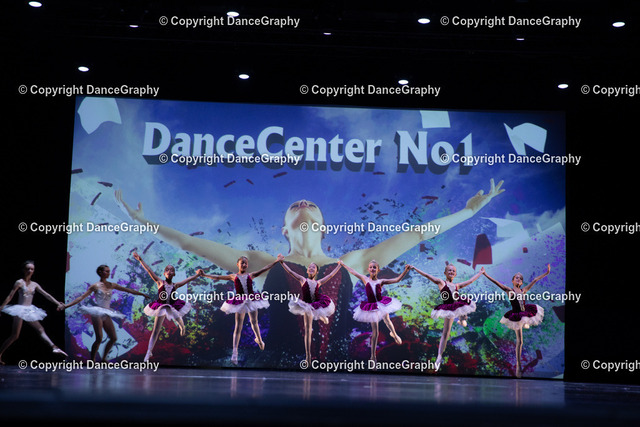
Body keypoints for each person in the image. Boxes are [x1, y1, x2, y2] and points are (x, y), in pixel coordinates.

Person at [115, 179, 504, 364]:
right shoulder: (262, 262)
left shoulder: (353, 261)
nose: (303, 201)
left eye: (311, 204)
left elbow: (417, 234)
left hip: (340, 369)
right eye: (294, 205)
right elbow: (189, 243)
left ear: (324, 226)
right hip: (276, 369)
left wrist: (468, 212)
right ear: (284, 230)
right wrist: (143, 222)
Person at [198, 255, 281, 365]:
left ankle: (259, 340)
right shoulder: (233, 276)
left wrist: (276, 261)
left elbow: (265, 268)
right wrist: (204, 275)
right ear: (238, 264)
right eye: (242, 263)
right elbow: (217, 277)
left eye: (246, 263)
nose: (244, 264)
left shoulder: (251, 275)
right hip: (240, 301)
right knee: (238, 326)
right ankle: (235, 352)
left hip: (251, 299)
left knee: (254, 322)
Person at [60, 264, 149, 361]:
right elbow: (81, 297)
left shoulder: (112, 285)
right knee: (99, 338)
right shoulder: (95, 286)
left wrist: (142, 294)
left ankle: (103, 359)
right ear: (100, 272)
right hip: (97, 312)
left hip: (106, 312)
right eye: (106, 271)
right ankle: (92, 359)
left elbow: (128, 290)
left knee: (113, 338)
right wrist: (66, 305)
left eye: (109, 271)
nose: (108, 273)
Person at [412, 263, 485, 371]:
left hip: (457, 305)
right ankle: (439, 356)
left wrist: (480, 273)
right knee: (446, 333)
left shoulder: (456, 286)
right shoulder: (441, 282)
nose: (451, 272)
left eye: (453, 271)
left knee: (464, 303)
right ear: (445, 273)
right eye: (449, 270)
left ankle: (462, 320)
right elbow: (427, 275)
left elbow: (470, 281)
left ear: (455, 274)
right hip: (449, 308)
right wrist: (415, 268)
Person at [483, 264, 551, 378]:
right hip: (516, 316)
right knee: (520, 341)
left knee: (529, 318)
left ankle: (526, 323)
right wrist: (485, 274)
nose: (519, 279)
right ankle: (518, 366)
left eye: (520, 278)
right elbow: (496, 282)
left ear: (522, 282)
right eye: (516, 278)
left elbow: (535, 280)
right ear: (513, 281)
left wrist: (547, 273)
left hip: (525, 312)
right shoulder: (509, 290)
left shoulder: (523, 290)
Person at [133, 252, 201, 362]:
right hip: (161, 306)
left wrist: (197, 275)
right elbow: (149, 270)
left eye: (171, 270)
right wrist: (140, 260)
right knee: (156, 330)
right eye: (167, 270)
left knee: (174, 312)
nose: (169, 271)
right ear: (164, 273)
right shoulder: (160, 282)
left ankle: (182, 327)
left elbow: (188, 280)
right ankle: (149, 352)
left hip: (172, 305)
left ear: (174, 274)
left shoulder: (175, 285)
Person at [340, 260, 411, 363]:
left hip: (381, 303)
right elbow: (353, 271)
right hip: (372, 306)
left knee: (387, 320)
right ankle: (373, 356)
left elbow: (397, 280)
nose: (372, 269)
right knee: (375, 332)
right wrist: (343, 264)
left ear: (378, 270)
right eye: (371, 267)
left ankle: (394, 334)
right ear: (368, 269)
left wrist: (405, 270)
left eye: (374, 267)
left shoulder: (381, 281)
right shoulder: (365, 279)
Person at [0, 260, 67, 364]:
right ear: (23, 270)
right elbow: (10, 296)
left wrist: (58, 303)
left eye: (32, 269)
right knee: (15, 335)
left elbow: (46, 295)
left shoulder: (34, 284)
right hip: (20, 310)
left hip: (29, 310)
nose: (30, 271)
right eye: (28, 269)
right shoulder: (19, 282)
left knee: (40, 329)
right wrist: (1, 307)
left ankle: (54, 347)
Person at [279, 256, 342, 364]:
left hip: (316, 303)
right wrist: (281, 262)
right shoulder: (303, 280)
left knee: (319, 309)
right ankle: (308, 355)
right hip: (306, 305)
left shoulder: (318, 282)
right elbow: (290, 272)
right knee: (308, 331)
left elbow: (331, 275)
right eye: (310, 267)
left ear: (317, 271)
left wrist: (339, 266)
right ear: (307, 270)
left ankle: (322, 316)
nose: (311, 268)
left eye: (313, 267)